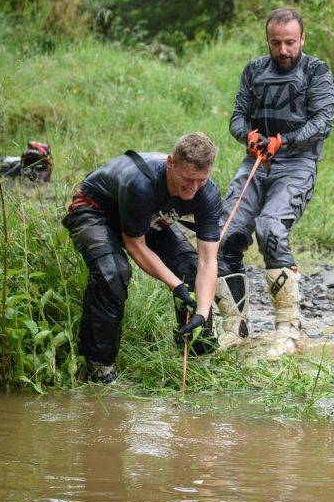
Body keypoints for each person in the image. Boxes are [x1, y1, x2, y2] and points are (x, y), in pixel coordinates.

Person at [214, 7, 334, 360]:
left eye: (290, 43)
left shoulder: (317, 71)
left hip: (297, 162)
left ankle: (290, 330)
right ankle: (234, 326)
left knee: (270, 228)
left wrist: (283, 140)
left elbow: (323, 122)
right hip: (256, 161)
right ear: (268, 40)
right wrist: (247, 135)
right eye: (276, 43)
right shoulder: (253, 70)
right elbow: (237, 116)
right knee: (226, 233)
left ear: (302, 40)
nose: (283, 50)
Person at [63, 132, 222, 383]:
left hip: (148, 217)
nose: (193, 189)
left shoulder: (208, 193)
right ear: (171, 163)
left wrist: (201, 312)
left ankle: (198, 353)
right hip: (95, 211)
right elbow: (135, 245)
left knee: (189, 268)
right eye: (187, 180)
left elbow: (207, 260)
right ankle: (97, 368)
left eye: (201, 181)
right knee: (112, 272)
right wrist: (175, 285)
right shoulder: (141, 182)